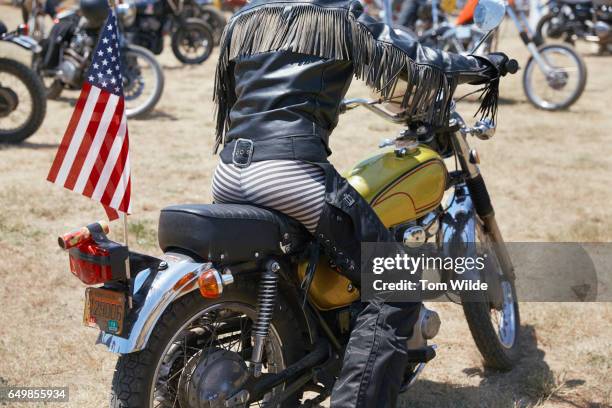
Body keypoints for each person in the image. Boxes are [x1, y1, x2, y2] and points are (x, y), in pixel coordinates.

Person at [210, 1, 509, 406]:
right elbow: (417, 61)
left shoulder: (245, 19)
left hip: (229, 173)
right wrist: (483, 65)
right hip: (288, 173)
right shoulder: (337, 16)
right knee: (396, 286)